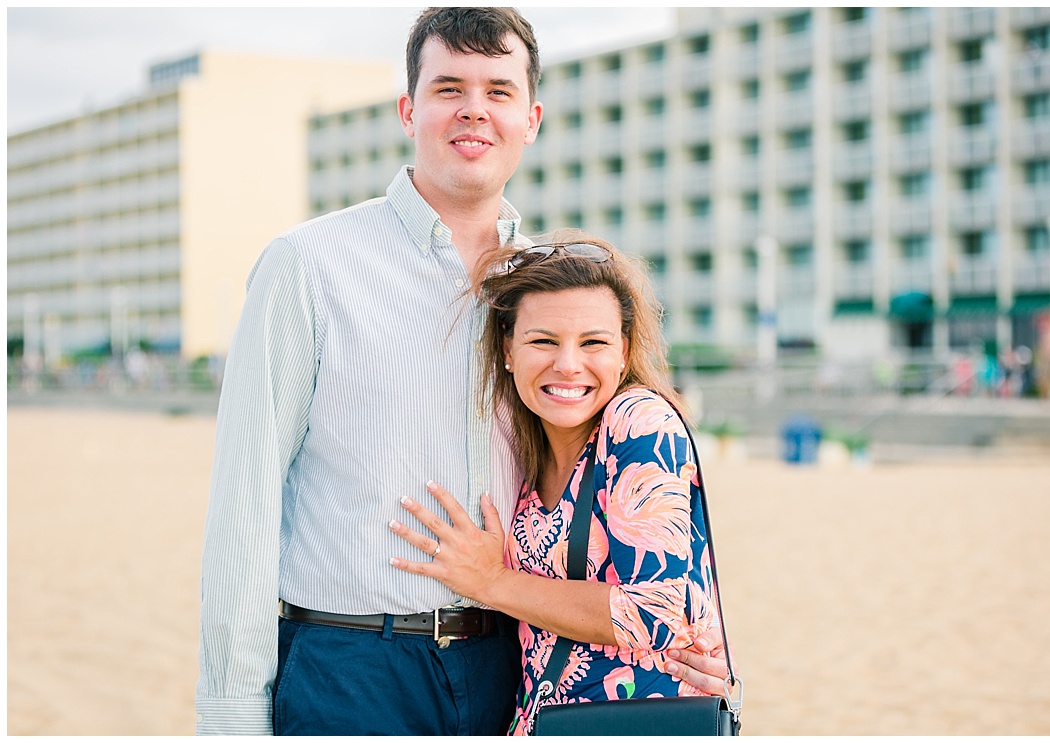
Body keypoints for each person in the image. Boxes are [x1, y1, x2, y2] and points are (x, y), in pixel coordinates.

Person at [196, 9, 723, 735]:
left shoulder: (553, 300)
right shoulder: (307, 267)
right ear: (410, 109)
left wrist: (688, 648)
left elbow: (617, 506)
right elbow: (243, 505)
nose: (474, 107)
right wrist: (229, 715)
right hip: (352, 664)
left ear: (531, 118)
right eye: (449, 87)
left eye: (499, 91)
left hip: (517, 668)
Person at [387, 231, 729, 732]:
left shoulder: (639, 421)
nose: (568, 364)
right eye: (544, 340)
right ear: (507, 348)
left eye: (593, 342)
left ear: (624, 351)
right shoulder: (525, 446)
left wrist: (492, 581)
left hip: (637, 719)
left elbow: (655, 612)